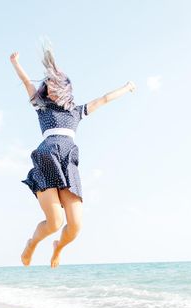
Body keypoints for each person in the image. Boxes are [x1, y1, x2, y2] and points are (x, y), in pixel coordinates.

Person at [10, 40, 135, 268]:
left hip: (68, 165)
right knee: (55, 222)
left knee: (75, 227)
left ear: (63, 89)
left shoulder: (77, 112)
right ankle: (31, 245)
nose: (49, 90)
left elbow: (104, 99)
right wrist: (15, 63)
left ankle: (58, 248)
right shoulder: (42, 108)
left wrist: (126, 88)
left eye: (53, 86)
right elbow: (27, 82)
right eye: (47, 86)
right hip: (47, 162)